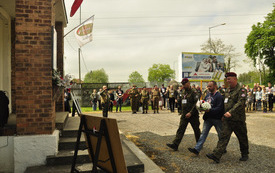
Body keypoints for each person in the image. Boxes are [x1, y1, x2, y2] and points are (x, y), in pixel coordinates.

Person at [206, 72, 249, 163]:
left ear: (235, 79)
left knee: (242, 137)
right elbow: (225, 104)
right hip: (227, 119)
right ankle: (216, 155)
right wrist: (223, 115)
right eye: (227, 79)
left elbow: (240, 103)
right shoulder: (228, 90)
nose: (228, 81)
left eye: (229, 79)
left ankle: (245, 154)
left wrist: (231, 112)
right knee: (223, 137)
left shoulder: (241, 90)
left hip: (238, 120)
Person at [188, 81, 224, 155]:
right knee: (203, 134)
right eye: (208, 86)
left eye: (210, 86)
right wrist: (201, 108)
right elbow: (204, 103)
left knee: (221, 134)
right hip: (208, 118)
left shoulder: (219, 96)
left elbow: (220, 108)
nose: (208, 88)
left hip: (217, 119)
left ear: (215, 86)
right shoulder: (207, 95)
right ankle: (197, 149)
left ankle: (222, 148)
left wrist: (210, 110)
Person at [166, 78, 201, 151]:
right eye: (183, 84)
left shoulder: (194, 92)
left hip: (193, 115)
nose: (183, 86)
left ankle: (199, 144)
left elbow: (196, 104)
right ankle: (175, 144)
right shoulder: (183, 91)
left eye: (184, 84)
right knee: (181, 129)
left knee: (196, 130)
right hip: (184, 114)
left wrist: (191, 113)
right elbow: (182, 101)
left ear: (188, 83)